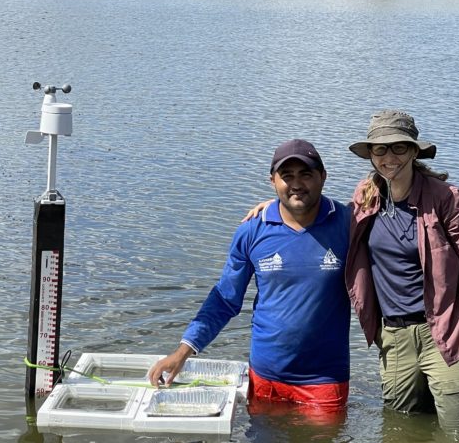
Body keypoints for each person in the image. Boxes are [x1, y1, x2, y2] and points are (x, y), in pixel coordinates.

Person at [147, 139, 351, 411]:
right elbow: (225, 299)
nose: (296, 184)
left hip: (324, 380)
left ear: (323, 177)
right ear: (272, 181)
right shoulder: (252, 230)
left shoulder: (350, 225)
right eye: (286, 177)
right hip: (264, 377)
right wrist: (183, 351)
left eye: (306, 175)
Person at [345, 110, 459, 432]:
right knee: (400, 438)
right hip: (394, 337)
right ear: (370, 154)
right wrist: (273, 208)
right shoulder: (365, 196)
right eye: (379, 149)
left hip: (447, 333)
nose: (388, 157)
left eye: (398, 147)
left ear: (413, 151)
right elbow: (324, 218)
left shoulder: (446, 198)